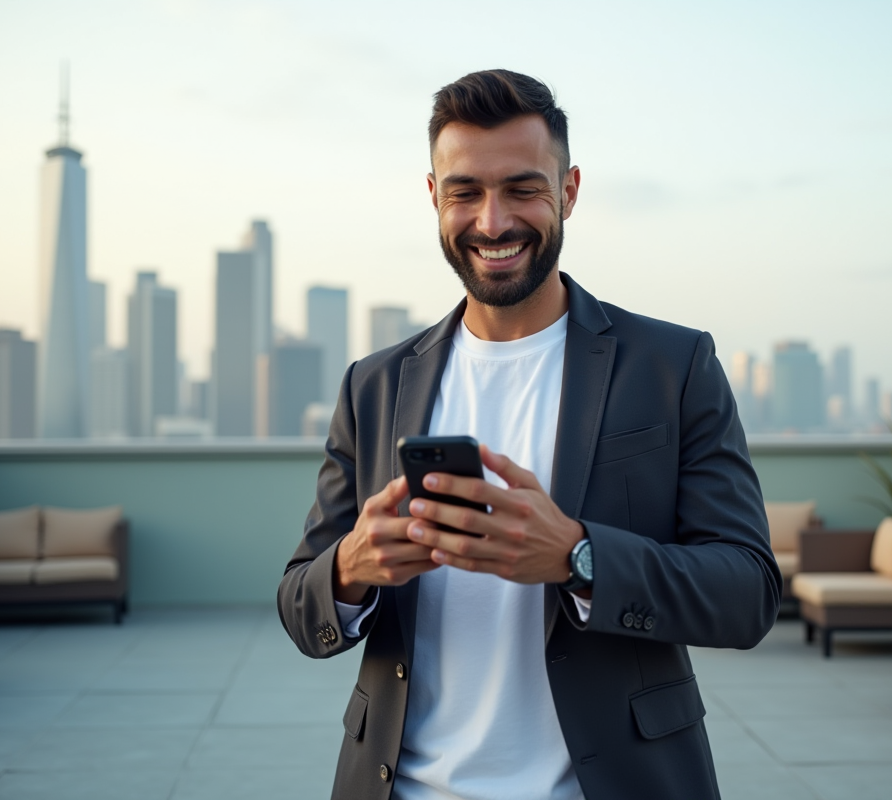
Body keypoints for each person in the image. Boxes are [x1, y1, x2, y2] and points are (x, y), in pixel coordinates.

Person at [278, 69, 781, 800]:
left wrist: (578, 556)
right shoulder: (374, 385)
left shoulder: (672, 367)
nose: (492, 221)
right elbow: (301, 605)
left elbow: (747, 593)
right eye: (465, 193)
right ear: (433, 198)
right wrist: (354, 566)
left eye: (522, 189)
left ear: (569, 190)